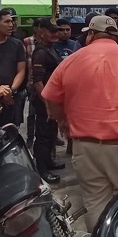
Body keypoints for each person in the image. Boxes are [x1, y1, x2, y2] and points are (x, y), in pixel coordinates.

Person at [42, 15, 118, 231]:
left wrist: (62, 120)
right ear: (116, 35)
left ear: (90, 34)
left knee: (95, 203)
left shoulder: (71, 60)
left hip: (85, 147)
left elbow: (51, 98)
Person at [31, 20, 65, 183]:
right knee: (43, 135)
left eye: (56, 31)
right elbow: (38, 81)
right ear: (41, 32)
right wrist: (46, 104)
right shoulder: (40, 52)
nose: (54, 34)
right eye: (51, 31)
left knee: (51, 133)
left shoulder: (50, 49)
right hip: (44, 101)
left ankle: (49, 162)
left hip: (53, 100)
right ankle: (42, 169)